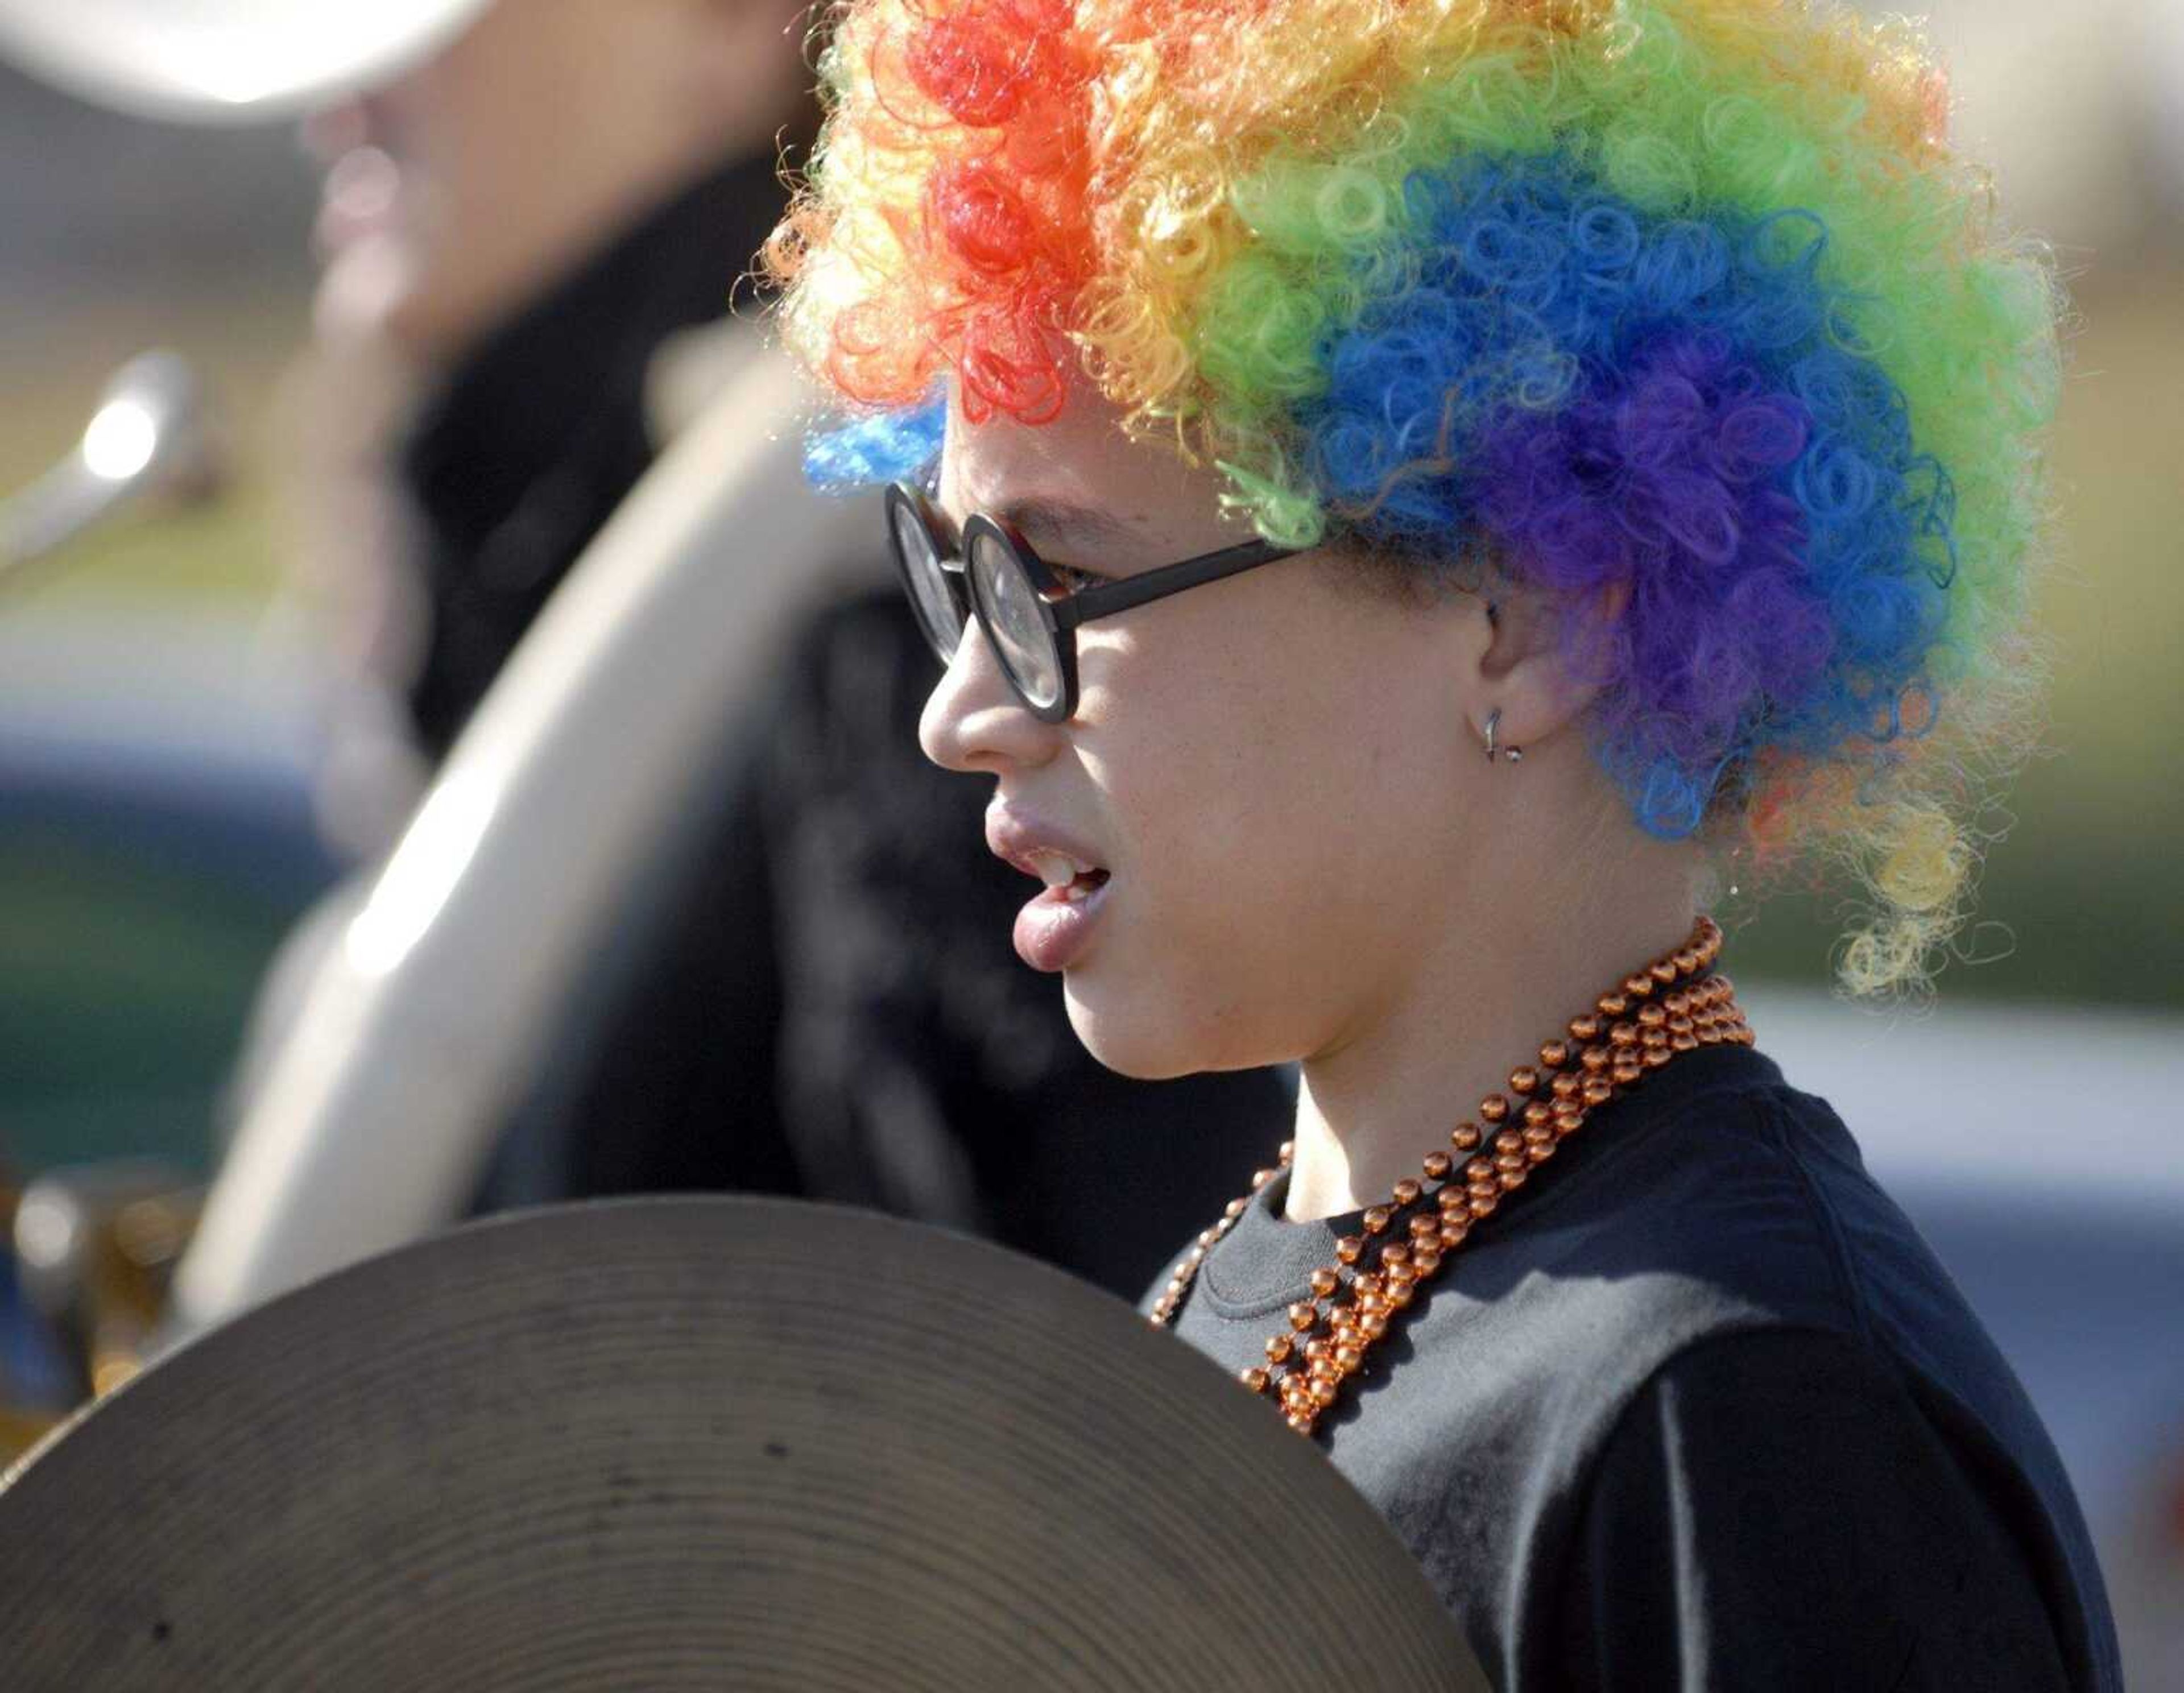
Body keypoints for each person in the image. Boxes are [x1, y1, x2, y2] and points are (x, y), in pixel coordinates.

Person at [762, 0, 2123, 1685]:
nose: (958, 710)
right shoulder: (1268, 1282)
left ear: (1527, 620)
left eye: (1053, 584)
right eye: (953, 583)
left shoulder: (1749, 1414)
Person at [233, 0, 1290, 1300]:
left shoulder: (896, 597)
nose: (340, 84)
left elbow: (1064, 1381)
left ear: (730, 22)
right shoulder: (534, 529)